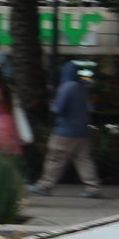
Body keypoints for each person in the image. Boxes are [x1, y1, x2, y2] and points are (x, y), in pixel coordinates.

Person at [31, 60, 101, 197]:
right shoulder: (83, 87)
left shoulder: (66, 87)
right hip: (82, 130)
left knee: (55, 158)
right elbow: (90, 108)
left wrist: (52, 104)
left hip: (65, 131)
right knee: (84, 160)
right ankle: (93, 187)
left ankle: (45, 185)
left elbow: (58, 109)